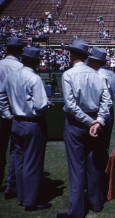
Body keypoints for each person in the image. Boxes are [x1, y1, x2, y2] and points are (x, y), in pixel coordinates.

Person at [57, 40, 112, 218]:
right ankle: (96, 203)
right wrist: (99, 121)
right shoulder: (98, 75)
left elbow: (71, 106)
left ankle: (77, 210)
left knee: (76, 167)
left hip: (76, 123)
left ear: (72, 55)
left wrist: (90, 122)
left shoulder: (68, 74)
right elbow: (107, 101)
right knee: (93, 164)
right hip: (95, 120)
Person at [0, 46, 52, 211]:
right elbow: (41, 104)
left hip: (16, 121)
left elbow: (1, 96)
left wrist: (8, 113)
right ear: (36, 61)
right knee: (32, 162)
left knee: (20, 161)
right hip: (32, 123)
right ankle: (30, 201)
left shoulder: (11, 76)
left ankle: (21, 195)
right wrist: (47, 104)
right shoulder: (34, 78)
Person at [0, 37, 24, 199]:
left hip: (2, 111)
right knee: (16, 150)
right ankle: (12, 185)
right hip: (16, 112)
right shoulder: (21, 67)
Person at [88, 46, 115, 148]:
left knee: (95, 147)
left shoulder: (96, 75)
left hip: (99, 110)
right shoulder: (112, 74)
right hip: (110, 110)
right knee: (104, 146)